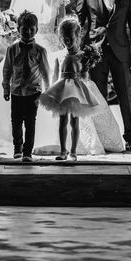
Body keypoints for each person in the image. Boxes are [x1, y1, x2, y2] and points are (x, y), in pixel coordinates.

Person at [0, 0, 124, 156]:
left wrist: (70, 48)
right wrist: (8, 26)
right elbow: (19, 25)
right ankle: (18, 143)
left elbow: (62, 27)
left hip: (51, 48)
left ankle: (60, 144)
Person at [76, 0, 131, 151]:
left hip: (121, 52)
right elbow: (78, 23)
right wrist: (75, 50)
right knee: (98, 97)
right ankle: (104, 139)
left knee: (126, 95)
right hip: (94, 52)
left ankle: (130, 138)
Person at [39, 18, 107, 161]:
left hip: (76, 91)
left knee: (74, 121)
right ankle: (63, 151)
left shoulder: (83, 56)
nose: (67, 41)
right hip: (62, 89)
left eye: (70, 38)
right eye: (64, 39)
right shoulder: (60, 56)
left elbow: (84, 76)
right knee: (62, 120)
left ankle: (73, 152)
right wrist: (50, 92)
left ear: (77, 36)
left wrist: (86, 68)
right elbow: (56, 75)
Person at [2, 10, 51, 162]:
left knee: (30, 122)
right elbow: (7, 70)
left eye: (32, 29)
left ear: (37, 29)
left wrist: (47, 92)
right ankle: (18, 148)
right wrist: (5, 88)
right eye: (24, 29)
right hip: (16, 90)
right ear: (18, 29)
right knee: (16, 121)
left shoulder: (40, 51)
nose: (28, 32)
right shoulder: (12, 49)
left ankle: (27, 152)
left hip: (33, 91)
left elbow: (45, 72)